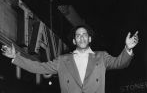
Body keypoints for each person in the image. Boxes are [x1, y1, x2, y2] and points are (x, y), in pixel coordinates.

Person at [1, 25, 139, 93]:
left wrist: (127, 48)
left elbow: (120, 63)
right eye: (78, 35)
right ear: (74, 40)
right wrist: (15, 57)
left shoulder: (101, 57)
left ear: (89, 38)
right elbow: (40, 67)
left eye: (84, 34)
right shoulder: (62, 60)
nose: (82, 37)